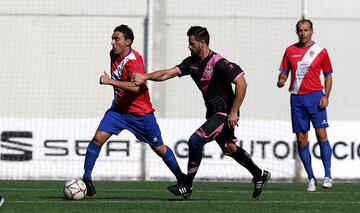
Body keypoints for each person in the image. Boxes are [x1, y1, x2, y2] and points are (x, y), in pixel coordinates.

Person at [132, 26, 271, 199]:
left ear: (202, 43)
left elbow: (242, 83)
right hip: (213, 113)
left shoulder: (218, 62)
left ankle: (187, 185)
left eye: (192, 43)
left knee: (195, 140)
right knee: (229, 147)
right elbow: (168, 73)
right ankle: (259, 174)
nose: (188, 46)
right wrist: (146, 76)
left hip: (224, 113)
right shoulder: (191, 63)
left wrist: (234, 111)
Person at [82, 25, 185, 197]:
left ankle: (182, 179)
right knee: (97, 138)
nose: (113, 42)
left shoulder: (134, 61)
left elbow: (136, 88)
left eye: (117, 39)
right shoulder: (113, 54)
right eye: (112, 38)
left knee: (159, 148)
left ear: (128, 42)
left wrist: (109, 81)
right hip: (119, 110)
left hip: (140, 114)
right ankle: (87, 178)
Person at [277, 19, 333, 192]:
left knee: (321, 134)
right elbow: (283, 72)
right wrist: (281, 80)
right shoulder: (289, 51)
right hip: (297, 99)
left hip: (316, 97)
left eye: (306, 30)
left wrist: (326, 95)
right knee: (301, 139)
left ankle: (328, 176)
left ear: (312, 31)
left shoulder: (321, 52)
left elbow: (328, 76)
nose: (302, 33)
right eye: (299, 30)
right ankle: (310, 178)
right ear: (296, 32)